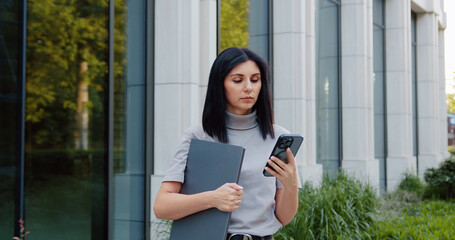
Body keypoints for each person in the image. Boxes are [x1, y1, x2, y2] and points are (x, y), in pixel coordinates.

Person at [153, 47, 300, 240]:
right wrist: (213, 199)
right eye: (238, 80)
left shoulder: (277, 137)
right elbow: (161, 207)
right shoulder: (198, 136)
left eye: (255, 80)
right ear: (219, 84)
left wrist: (290, 185)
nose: (249, 87)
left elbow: (284, 217)